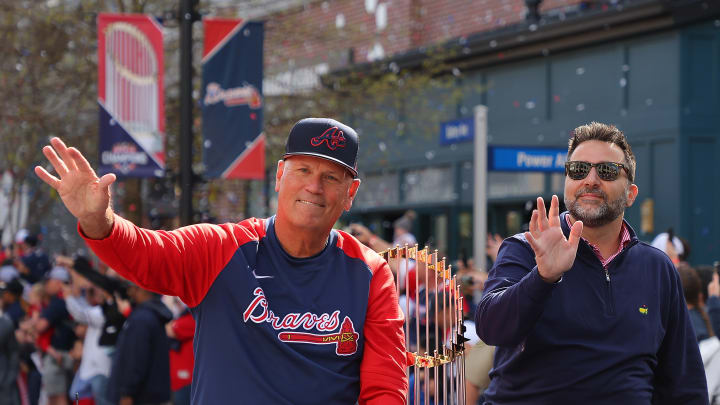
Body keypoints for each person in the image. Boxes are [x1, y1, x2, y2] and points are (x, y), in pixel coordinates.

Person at [35, 117, 407, 404]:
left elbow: (385, 390)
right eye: (304, 171)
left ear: (350, 193)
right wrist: (98, 220)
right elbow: (145, 253)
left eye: (330, 177)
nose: (314, 186)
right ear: (280, 175)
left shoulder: (370, 274)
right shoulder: (222, 248)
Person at [475, 122, 707, 403]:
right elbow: (491, 328)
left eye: (607, 170)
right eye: (578, 170)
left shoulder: (657, 267)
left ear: (631, 194)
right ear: (567, 184)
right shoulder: (525, 248)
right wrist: (543, 277)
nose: (591, 180)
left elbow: (684, 383)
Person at [106, 284, 172, 405]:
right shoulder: (150, 314)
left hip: (141, 397)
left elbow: (136, 358)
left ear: (141, 289)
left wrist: (127, 392)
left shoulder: (141, 318)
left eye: (132, 287)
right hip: (151, 394)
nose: (129, 292)